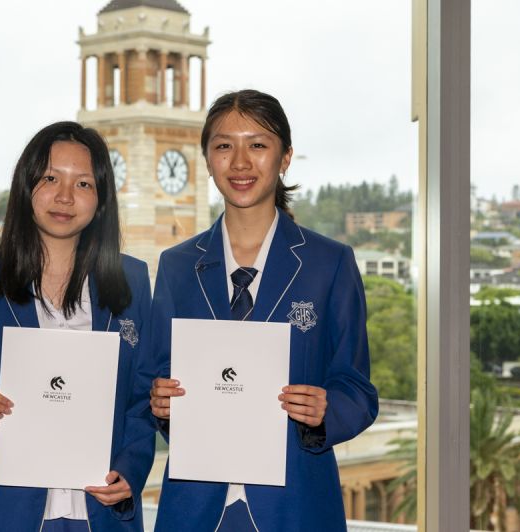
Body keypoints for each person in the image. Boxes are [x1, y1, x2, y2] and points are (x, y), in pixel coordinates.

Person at [148, 90, 379, 531]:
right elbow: (155, 378)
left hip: (297, 506)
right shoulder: (177, 266)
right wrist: (160, 402)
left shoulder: (329, 263)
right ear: (207, 158)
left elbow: (358, 389)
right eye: (223, 146)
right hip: (195, 508)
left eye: (257, 145)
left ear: (285, 157)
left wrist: (326, 410)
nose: (239, 162)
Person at [0, 121, 156, 532]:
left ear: (101, 199)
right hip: (7, 513)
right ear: (26, 186)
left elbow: (140, 400)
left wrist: (130, 470)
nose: (65, 196)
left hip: (100, 512)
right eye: (51, 178)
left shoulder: (132, 280)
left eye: (83, 184)